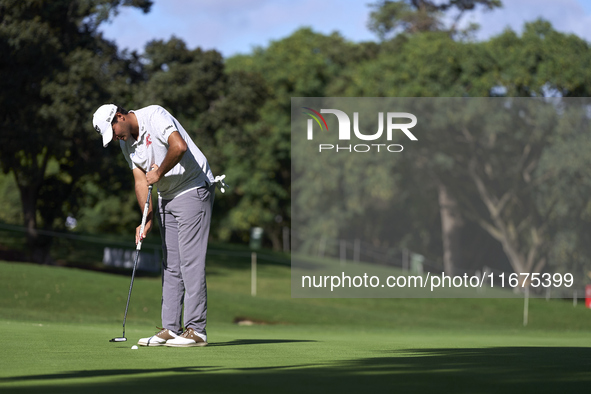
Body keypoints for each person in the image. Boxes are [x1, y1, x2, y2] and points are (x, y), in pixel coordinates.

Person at [92, 103, 216, 347]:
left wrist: (158, 173)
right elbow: (140, 180)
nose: (116, 137)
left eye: (114, 130)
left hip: (193, 187)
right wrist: (145, 218)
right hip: (167, 197)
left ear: (120, 116)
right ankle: (170, 328)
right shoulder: (125, 142)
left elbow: (179, 147)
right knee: (170, 264)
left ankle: (196, 330)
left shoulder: (155, 116)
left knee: (190, 262)